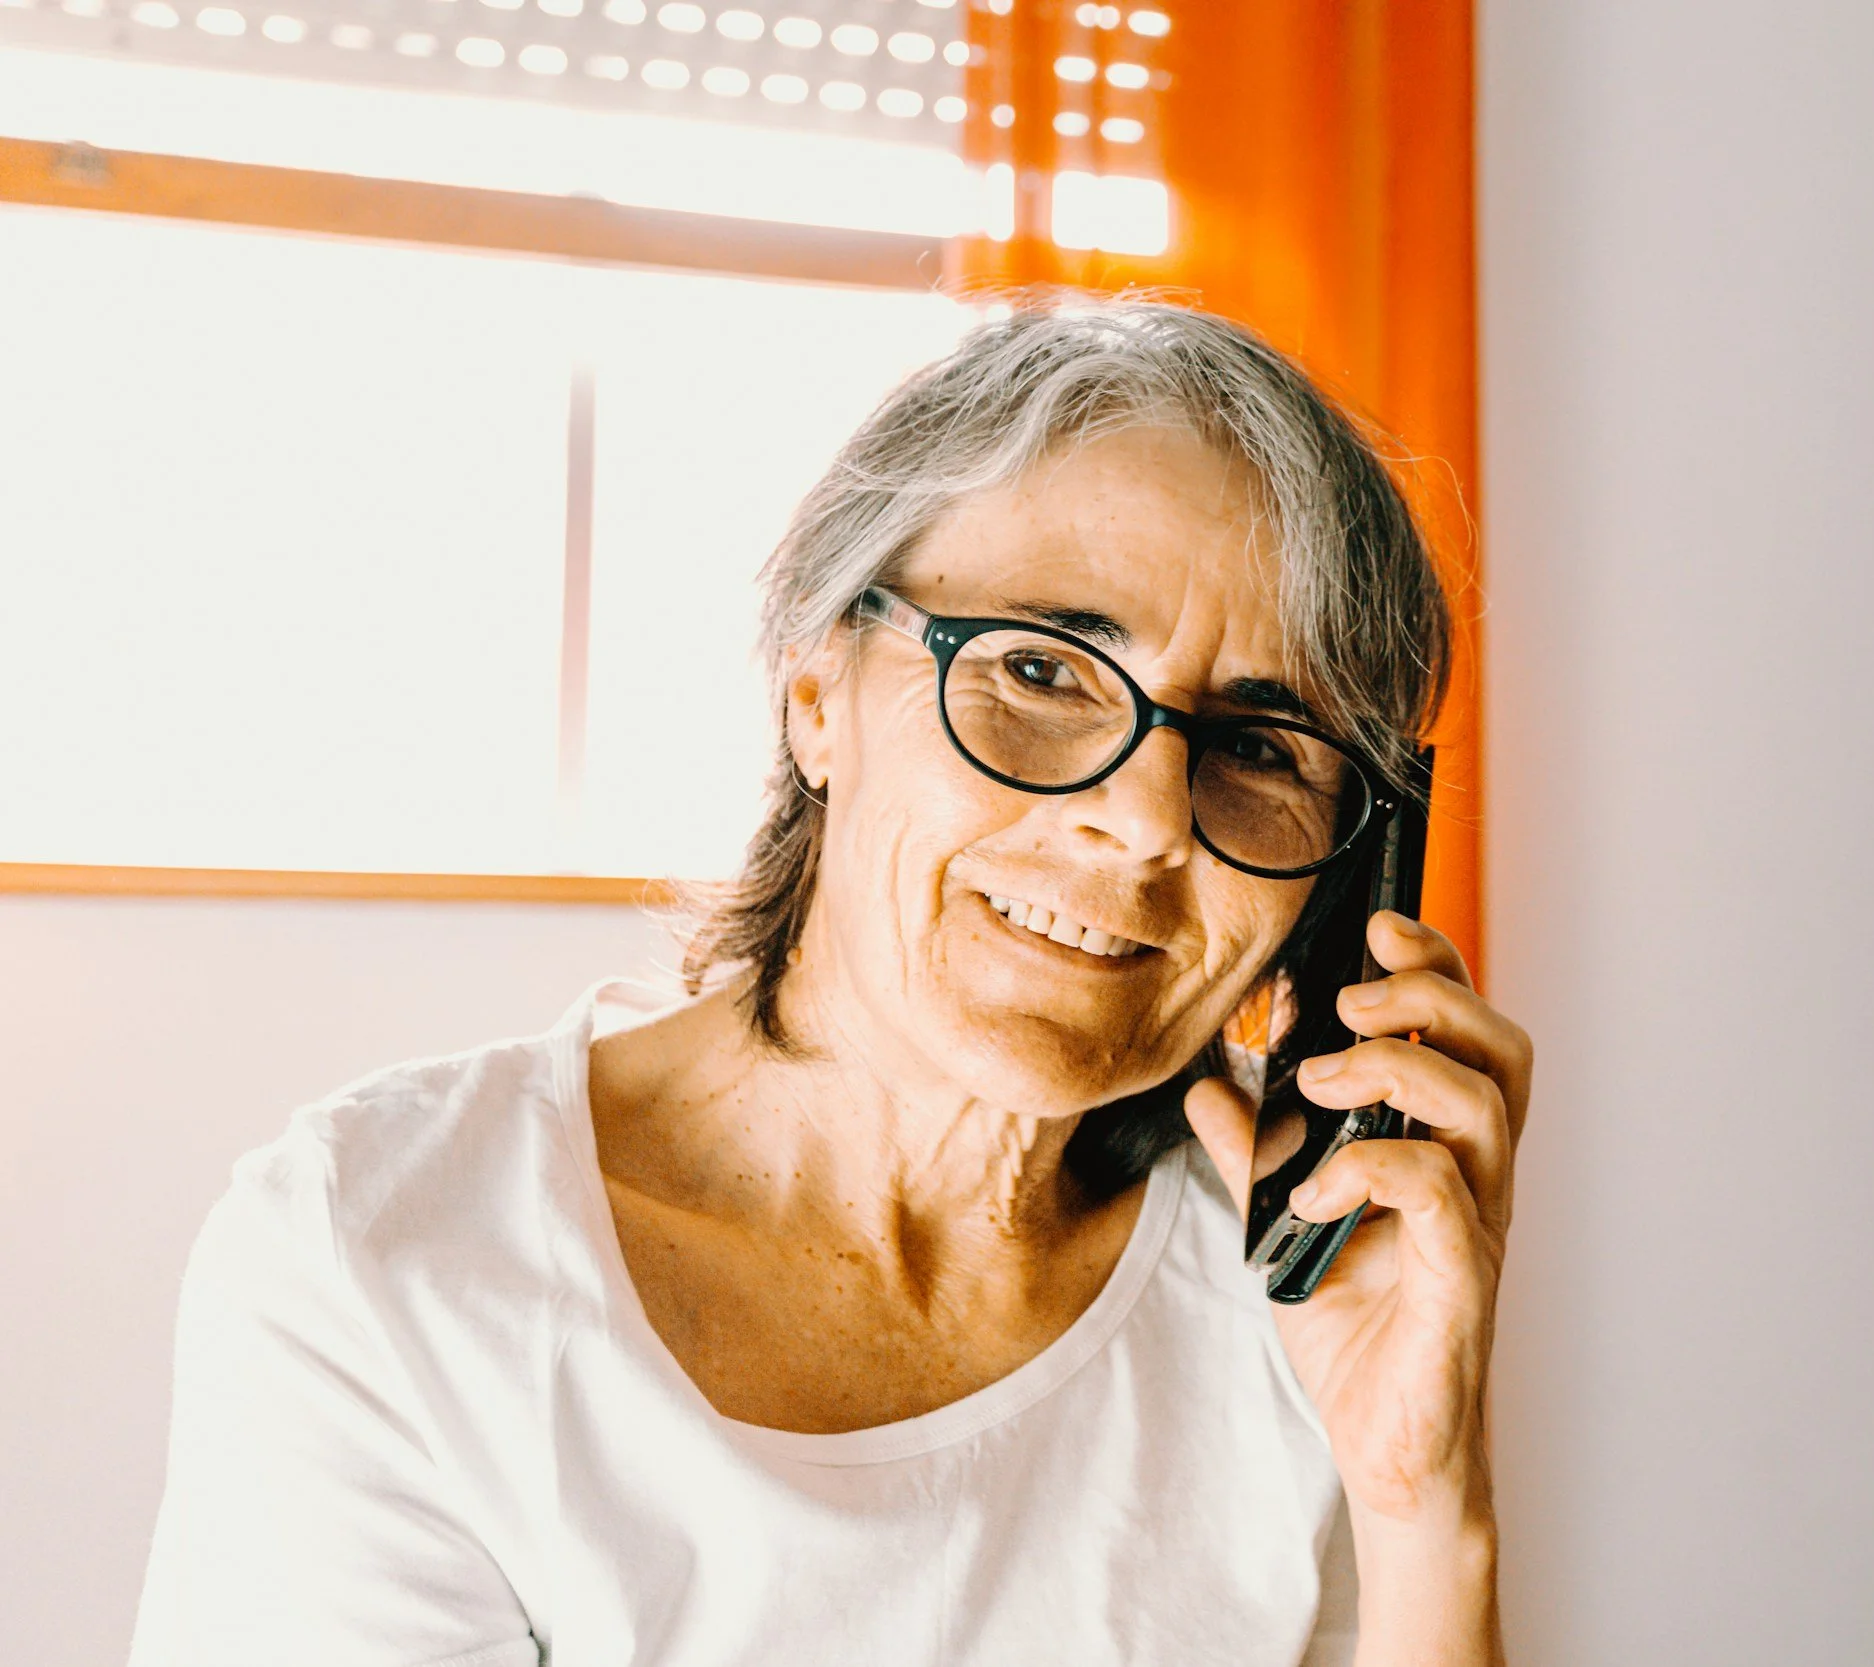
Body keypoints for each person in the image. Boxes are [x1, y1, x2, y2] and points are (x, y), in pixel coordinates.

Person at [130, 299, 1533, 1666]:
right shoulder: (388, 1258)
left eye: (1265, 747)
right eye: (1041, 668)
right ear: (815, 693)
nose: (1151, 818)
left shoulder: (1303, 1292)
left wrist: (1425, 1511)